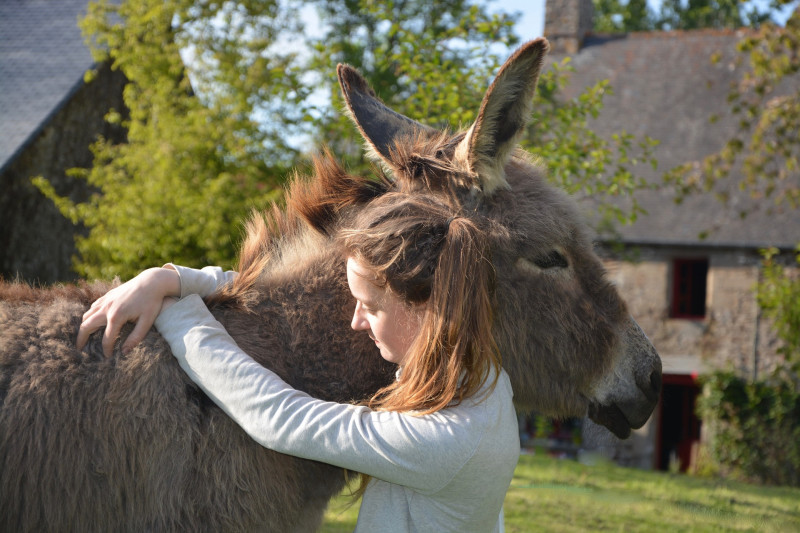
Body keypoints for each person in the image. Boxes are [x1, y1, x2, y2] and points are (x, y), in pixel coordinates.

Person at [77, 194, 520, 532]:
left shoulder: (443, 440)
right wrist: (172, 278)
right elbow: (275, 298)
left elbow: (278, 417)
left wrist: (174, 307)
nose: (355, 320)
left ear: (424, 309)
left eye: (370, 306)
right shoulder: (482, 378)